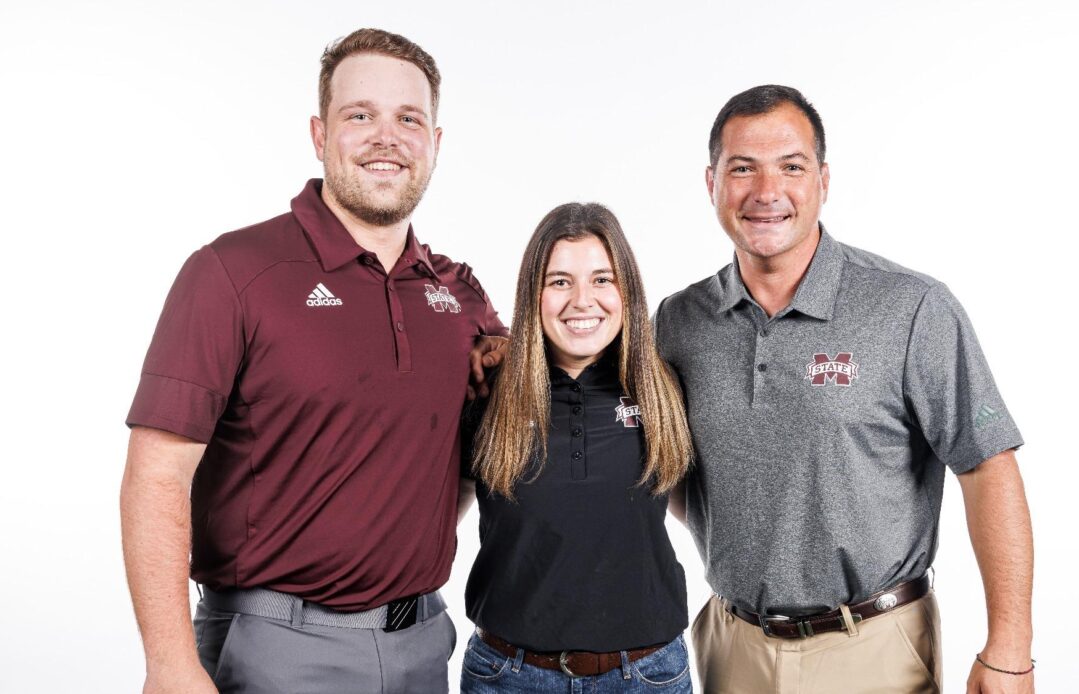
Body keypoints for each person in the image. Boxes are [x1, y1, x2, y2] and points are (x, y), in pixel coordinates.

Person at [120, 28, 506, 693]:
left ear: (435, 143)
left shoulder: (459, 293)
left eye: (408, 118)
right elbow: (157, 475)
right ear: (320, 134)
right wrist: (170, 665)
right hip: (274, 650)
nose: (387, 136)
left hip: (424, 646)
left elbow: (487, 442)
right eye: (361, 115)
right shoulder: (232, 273)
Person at [653, 85, 1034, 693]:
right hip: (733, 648)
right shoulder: (679, 321)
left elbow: (988, 468)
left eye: (791, 167)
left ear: (824, 180)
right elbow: (666, 466)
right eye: (742, 168)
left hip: (875, 648)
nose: (766, 191)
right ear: (712, 183)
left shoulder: (911, 308)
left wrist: (1009, 649)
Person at [458, 203, 695, 693]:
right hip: (509, 675)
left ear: (626, 290)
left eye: (602, 280)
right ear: (533, 294)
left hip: (647, 675)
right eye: (560, 281)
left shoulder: (662, 386)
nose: (582, 301)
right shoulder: (488, 391)